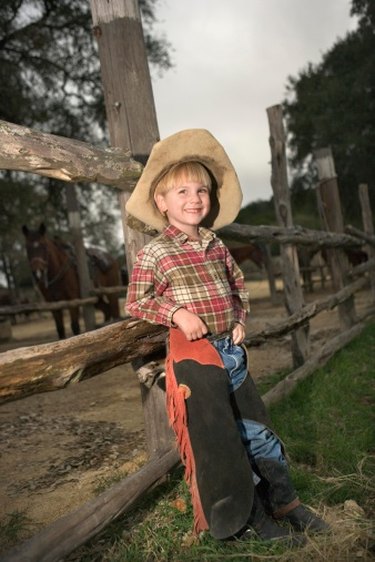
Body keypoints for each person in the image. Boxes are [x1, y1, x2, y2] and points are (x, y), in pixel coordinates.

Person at [125, 129, 329, 545]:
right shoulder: (155, 253)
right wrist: (178, 312)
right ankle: (248, 518)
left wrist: (238, 317)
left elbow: (237, 285)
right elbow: (137, 301)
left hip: (230, 352)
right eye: (181, 191)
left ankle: (284, 501)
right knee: (221, 438)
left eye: (201, 189)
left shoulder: (215, 244)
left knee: (257, 428)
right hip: (196, 359)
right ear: (161, 203)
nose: (194, 198)